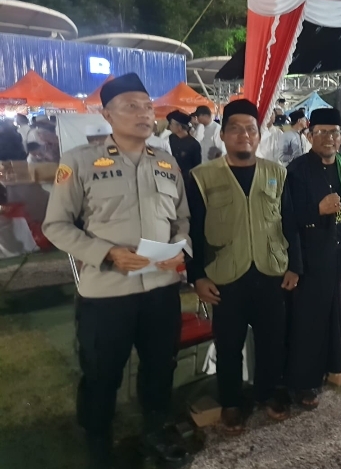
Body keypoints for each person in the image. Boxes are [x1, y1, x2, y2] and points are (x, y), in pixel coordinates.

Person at [41, 73, 190, 467]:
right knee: (101, 375)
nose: (144, 114)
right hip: (107, 294)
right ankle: (99, 444)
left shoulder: (166, 162)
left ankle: (155, 431)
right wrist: (107, 253)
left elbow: (182, 220)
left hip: (161, 288)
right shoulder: (80, 162)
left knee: (160, 368)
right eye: (131, 106)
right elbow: (55, 225)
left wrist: (180, 249)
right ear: (107, 114)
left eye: (148, 106)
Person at [186, 99, 300, 432]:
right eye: (235, 128)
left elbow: (289, 223)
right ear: (222, 135)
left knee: (271, 341)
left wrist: (295, 265)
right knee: (229, 345)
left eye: (250, 128)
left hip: (270, 271)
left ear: (259, 135)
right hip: (226, 275)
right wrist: (197, 276)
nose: (244, 134)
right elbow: (192, 231)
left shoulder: (277, 173)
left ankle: (268, 393)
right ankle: (232, 402)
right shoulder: (202, 177)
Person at [284, 108, 341, 408]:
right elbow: (287, 219)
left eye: (334, 133)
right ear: (309, 136)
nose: (329, 138)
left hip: (337, 254)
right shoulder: (297, 170)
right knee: (308, 322)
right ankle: (303, 383)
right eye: (322, 132)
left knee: (332, 318)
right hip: (310, 258)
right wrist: (317, 210)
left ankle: (327, 369)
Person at [166, 110, 202, 186]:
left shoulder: (193, 144)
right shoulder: (171, 138)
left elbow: (197, 167)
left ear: (179, 127)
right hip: (172, 177)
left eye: (171, 124)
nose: (169, 126)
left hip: (187, 181)